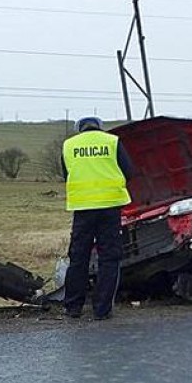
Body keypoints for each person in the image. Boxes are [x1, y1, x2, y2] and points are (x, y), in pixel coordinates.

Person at [60, 117, 134, 320]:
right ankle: (102, 310)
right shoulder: (112, 141)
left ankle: (73, 307)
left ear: (79, 129)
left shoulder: (69, 145)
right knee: (109, 257)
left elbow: (67, 175)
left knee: (78, 256)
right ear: (100, 127)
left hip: (83, 208)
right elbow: (129, 172)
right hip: (110, 207)